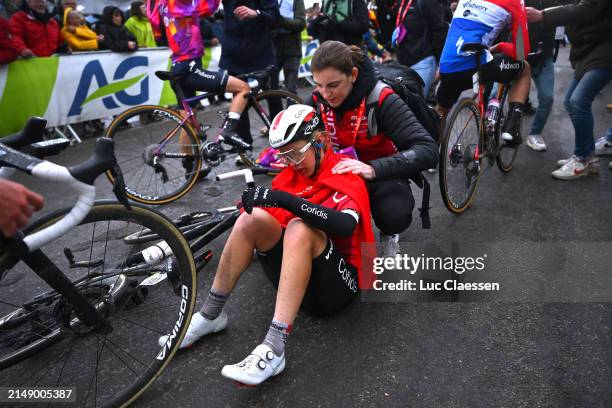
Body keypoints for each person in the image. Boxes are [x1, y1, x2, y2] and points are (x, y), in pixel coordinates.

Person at [158, 104, 375, 386]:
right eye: (284, 155)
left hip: (339, 288)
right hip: (301, 281)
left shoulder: (344, 171)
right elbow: (265, 227)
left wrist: (287, 202)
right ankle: (211, 314)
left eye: (297, 152)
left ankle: (274, 347)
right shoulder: (289, 176)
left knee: (299, 226)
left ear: (320, 140)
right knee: (251, 219)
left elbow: (345, 225)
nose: (292, 161)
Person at [308, 41, 438, 256]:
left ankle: (388, 233)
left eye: (333, 85)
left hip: (380, 172)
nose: (326, 94)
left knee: (394, 215)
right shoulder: (318, 98)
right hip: (339, 172)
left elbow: (428, 149)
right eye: (319, 85)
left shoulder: (382, 98)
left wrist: (372, 168)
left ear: (353, 75)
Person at [148, 0, 251, 176]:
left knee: (188, 120)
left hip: (179, 64)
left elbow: (159, 32)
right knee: (243, 88)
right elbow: (207, 6)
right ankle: (228, 132)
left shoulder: (159, 3)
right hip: (188, 67)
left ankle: (191, 170)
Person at [526, 0, 612, 180]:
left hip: (604, 50)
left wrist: (543, 15)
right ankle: (587, 155)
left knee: (578, 101)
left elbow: (585, 10)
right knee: (570, 101)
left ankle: (583, 158)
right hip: (588, 50)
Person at [435, 0, 532, 146]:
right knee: (525, 69)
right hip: (476, 66)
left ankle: (430, 154)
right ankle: (512, 127)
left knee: (441, 110)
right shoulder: (516, 2)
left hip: (447, 65)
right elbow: (521, 52)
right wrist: (501, 46)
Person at [218, 0, 281, 146]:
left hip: (261, 52)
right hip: (234, 54)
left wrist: (256, 13)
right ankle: (245, 144)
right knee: (239, 98)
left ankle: (281, 140)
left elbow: (275, 17)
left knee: (273, 96)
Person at [524, 0, 560, 152]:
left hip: (543, 57)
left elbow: (571, 10)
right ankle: (492, 131)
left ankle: (535, 133)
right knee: (494, 94)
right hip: (516, 55)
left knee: (547, 98)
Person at [393, 0, 448, 97]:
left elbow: (440, 31)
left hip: (423, 62)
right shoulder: (403, 2)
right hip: (403, 63)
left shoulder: (427, 2)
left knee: (415, 105)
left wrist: (442, 63)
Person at [271, 0, 306, 98]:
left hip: (292, 47)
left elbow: (301, 22)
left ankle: (292, 112)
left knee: (291, 89)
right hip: (273, 45)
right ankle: (276, 113)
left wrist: (281, 20)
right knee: (271, 88)